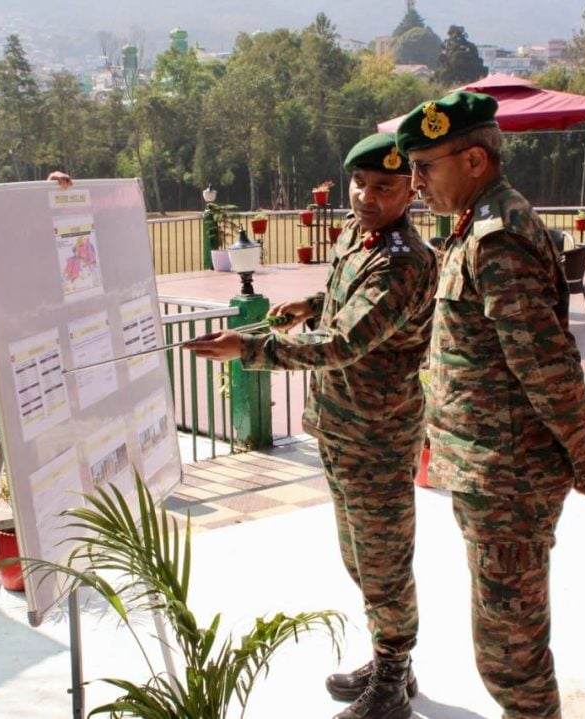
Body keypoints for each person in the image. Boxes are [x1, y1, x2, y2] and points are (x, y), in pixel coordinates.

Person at [184, 133, 438, 719]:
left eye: (384, 187)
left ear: (412, 191)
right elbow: (344, 300)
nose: (366, 197)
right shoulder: (357, 235)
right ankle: (391, 658)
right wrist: (311, 304)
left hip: (378, 434)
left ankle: (393, 679)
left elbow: (344, 343)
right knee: (358, 556)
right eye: (359, 183)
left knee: (383, 561)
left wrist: (248, 347)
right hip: (340, 423)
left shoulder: (405, 262)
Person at [395, 92, 585, 719]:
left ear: (474, 160)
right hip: (494, 471)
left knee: (510, 654)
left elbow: (541, 360)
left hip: (508, 477)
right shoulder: (477, 226)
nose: (415, 183)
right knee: (508, 643)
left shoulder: (497, 236)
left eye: (425, 167)